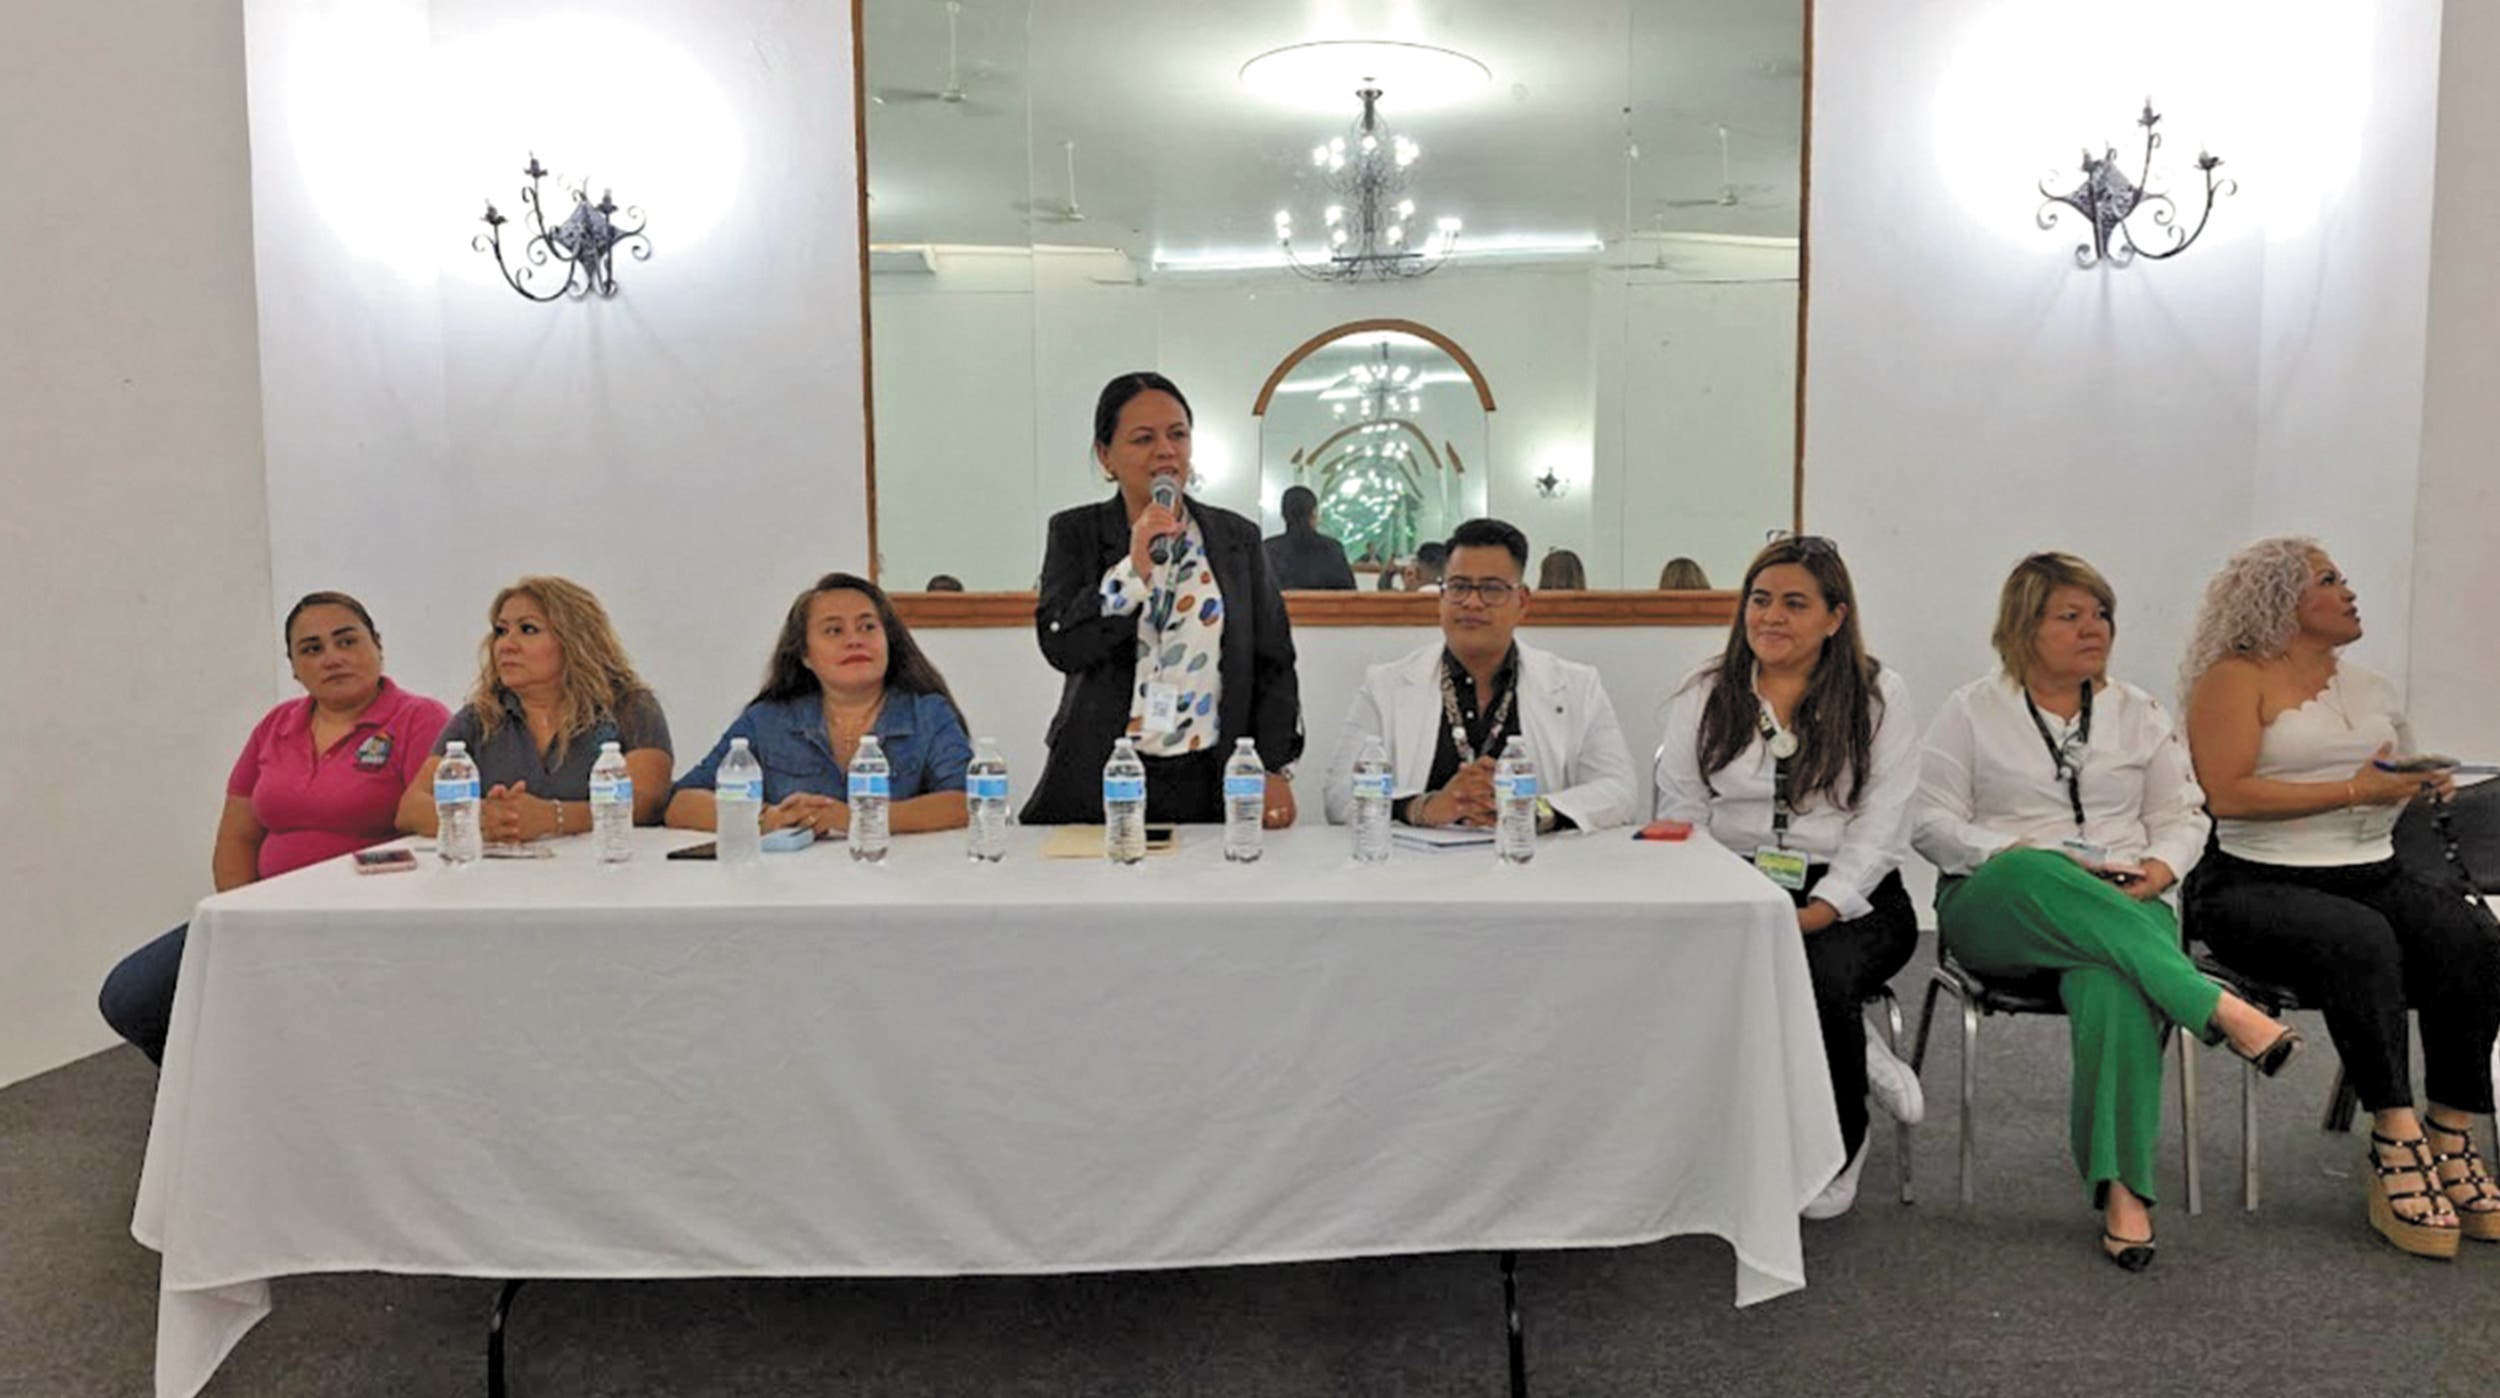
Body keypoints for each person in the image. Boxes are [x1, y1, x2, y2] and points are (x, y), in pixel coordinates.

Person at [1916, 552, 2303, 1271]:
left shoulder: (2139, 713)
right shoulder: (1970, 711)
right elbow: (1931, 825)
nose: (2093, 629)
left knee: (2117, 982)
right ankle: (2214, 1005)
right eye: (2070, 616)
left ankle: (2124, 1190)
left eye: (2101, 615)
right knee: (2034, 867)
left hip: (2128, 899)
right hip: (2002, 903)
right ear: (2023, 628)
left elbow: (2183, 815)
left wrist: (2160, 867)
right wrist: (2025, 854)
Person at [2181, 537, 2500, 1258]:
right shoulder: (2233, 679)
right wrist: (2357, 790)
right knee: (2359, 939)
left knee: (2469, 937)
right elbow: (2225, 794)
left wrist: (2418, 781)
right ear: (2279, 599)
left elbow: (2389, 773)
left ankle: (2451, 1131)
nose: (2349, 592)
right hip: (2255, 881)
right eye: (2329, 580)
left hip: (2370, 871)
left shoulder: (2373, 687)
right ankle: (2394, 1137)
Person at [1653, 535, 1920, 1220]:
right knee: (1674, 965)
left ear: (1835, 617)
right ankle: (1856, 1050)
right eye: (1760, 600)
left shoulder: (1879, 696)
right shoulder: (1707, 692)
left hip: (1855, 896)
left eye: (1795, 604)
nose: (1770, 616)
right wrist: (1715, 897)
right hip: (1737, 882)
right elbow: (1683, 809)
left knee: (1820, 972)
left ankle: (1840, 1144)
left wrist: (1822, 908)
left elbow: (1882, 824)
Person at [99, 593, 451, 1065]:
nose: (332, 658)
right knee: (131, 995)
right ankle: (213, 1088)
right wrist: (241, 915)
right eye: (312, 649)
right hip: (264, 914)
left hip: (364, 921)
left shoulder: (421, 719)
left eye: (346, 640)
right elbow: (237, 836)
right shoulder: (275, 726)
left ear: (378, 645)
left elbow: (434, 829)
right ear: (294, 667)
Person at [1023, 372, 1303, 826]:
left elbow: (1273, 660)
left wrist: (1274, 765)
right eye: (1143, 439)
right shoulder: (1076, 532)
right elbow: (1062, 647)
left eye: (1178, 434)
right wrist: (1133, 570)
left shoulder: (1237, 538)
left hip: (1210, 772)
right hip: (1105, 772)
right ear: (1105, 456)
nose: (1166, 450)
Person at [1324, 518, 1635, 832]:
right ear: (1442, 598)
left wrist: (1530, 811)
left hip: (1531, 859)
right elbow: (1339, 794)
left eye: (1491, 589)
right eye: (1459, 587)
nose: (1472, 602)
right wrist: (1425, 807)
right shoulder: (1385, 685)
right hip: (1415, 862)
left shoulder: (1577, 686)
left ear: (1522, 601)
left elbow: (1619, 790)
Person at [668, 572, 971, 836]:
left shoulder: (928, 713)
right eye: (834, 630)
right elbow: (682, 802)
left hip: (897, 874)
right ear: (805, 655)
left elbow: (966, 801)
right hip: (792, 880)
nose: (854, 640)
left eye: (868, 627)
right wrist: (766, 819)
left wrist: (856, 818)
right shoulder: (767, 720)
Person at [398, 576, 672, 841]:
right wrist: (485, 819)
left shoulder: (630, 706)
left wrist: (555, 818)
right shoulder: (480, 717)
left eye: (528, 629)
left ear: (575, 640)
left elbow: (647, 800)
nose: (506, 645)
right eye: (501, 631)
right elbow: (411, 809)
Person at [1263, 485, 1358, 590]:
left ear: (1283, 514)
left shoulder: (1268, 549)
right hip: (1325, 601)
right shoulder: (1332, 549)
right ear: (1314, 513)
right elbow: (1348, 594)